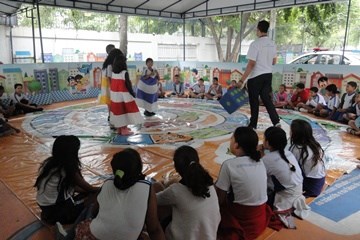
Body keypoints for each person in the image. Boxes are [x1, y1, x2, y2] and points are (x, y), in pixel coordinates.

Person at [74, 148, 165, 240]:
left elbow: (95, 212)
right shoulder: (147, 187)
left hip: (92, 235)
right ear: (139, 167)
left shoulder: (107, 183)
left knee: (87, 214)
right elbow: (154, 229)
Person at [216, 127, 273, 240]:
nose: (230, 141)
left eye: (231, 139)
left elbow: (220, 199)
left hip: (241, 219)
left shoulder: (229, 165)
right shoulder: (260, 162)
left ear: (236, 145)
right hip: (259, 219)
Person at [156, 146, 220, 240]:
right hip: (210, 235)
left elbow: (154, 199)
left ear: (176, 168)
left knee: (155, 187)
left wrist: (162, 185)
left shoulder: (176, 191)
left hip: (182, 236)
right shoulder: (209, 183)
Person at [34, 135, 99, 225]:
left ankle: (53, 217)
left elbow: (75, 188)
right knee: (97, 198)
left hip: (46, 209)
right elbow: (89, 188)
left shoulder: (49, 163)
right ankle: (85, 220)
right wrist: (101, 189)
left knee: (89, 194)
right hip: (57, 211)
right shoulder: (68, 168)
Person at [261, 127, 310, 228]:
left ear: (268, 142)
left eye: (264, 138)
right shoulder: (288, 153)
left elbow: (259, 175)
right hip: (299, 190)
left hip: (285, 197)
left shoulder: (267, 159)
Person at [238, 20, 280, 129]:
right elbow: (274, 62)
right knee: (267, 100)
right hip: (268, 75)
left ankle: (253, 124)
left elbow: (251, 64)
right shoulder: (272, 44)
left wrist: (242, 80)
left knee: (254, 101)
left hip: (256, 77)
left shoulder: (255, 44)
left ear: (258, 29)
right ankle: (276, 122)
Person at [109, 49, 143, 135]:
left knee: (118, 111)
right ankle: (124, 129)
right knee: (125, 111)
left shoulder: (113, 72)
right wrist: (132, 93)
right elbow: (128, 85)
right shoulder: (124, 73)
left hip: (115, 96)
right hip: (124, 96)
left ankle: (120, 128)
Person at [289, 119, 326, 197]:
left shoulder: (297, 148)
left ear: (295, 133)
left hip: (309, 186)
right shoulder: (315, 145)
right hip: (320, 182)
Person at [99, 44, 116, 121]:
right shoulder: (110, 62)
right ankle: (111, 115)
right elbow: (109, 76)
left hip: (107, 85)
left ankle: (111, 115)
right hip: (109, 85)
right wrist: (113, 86)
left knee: (110, 101)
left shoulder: (108, 61)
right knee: (111, 101)